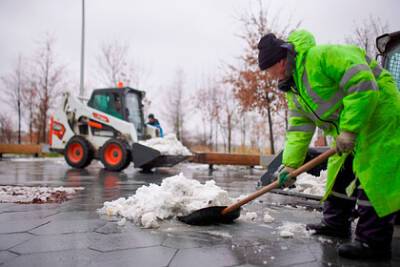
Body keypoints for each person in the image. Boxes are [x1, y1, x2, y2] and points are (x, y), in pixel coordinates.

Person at [257, 30, 400, 260]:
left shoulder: (322, 56)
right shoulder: (293, 90)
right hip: (349, 125)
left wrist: (350, 129)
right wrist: (289, 166)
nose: (270, 76)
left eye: (269, 70)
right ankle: (335, 224)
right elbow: (298, 129)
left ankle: (373, 243)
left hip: (380, 114)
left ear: (281, 61)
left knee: (375, 174)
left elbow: (364, 84)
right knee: (339, 169)